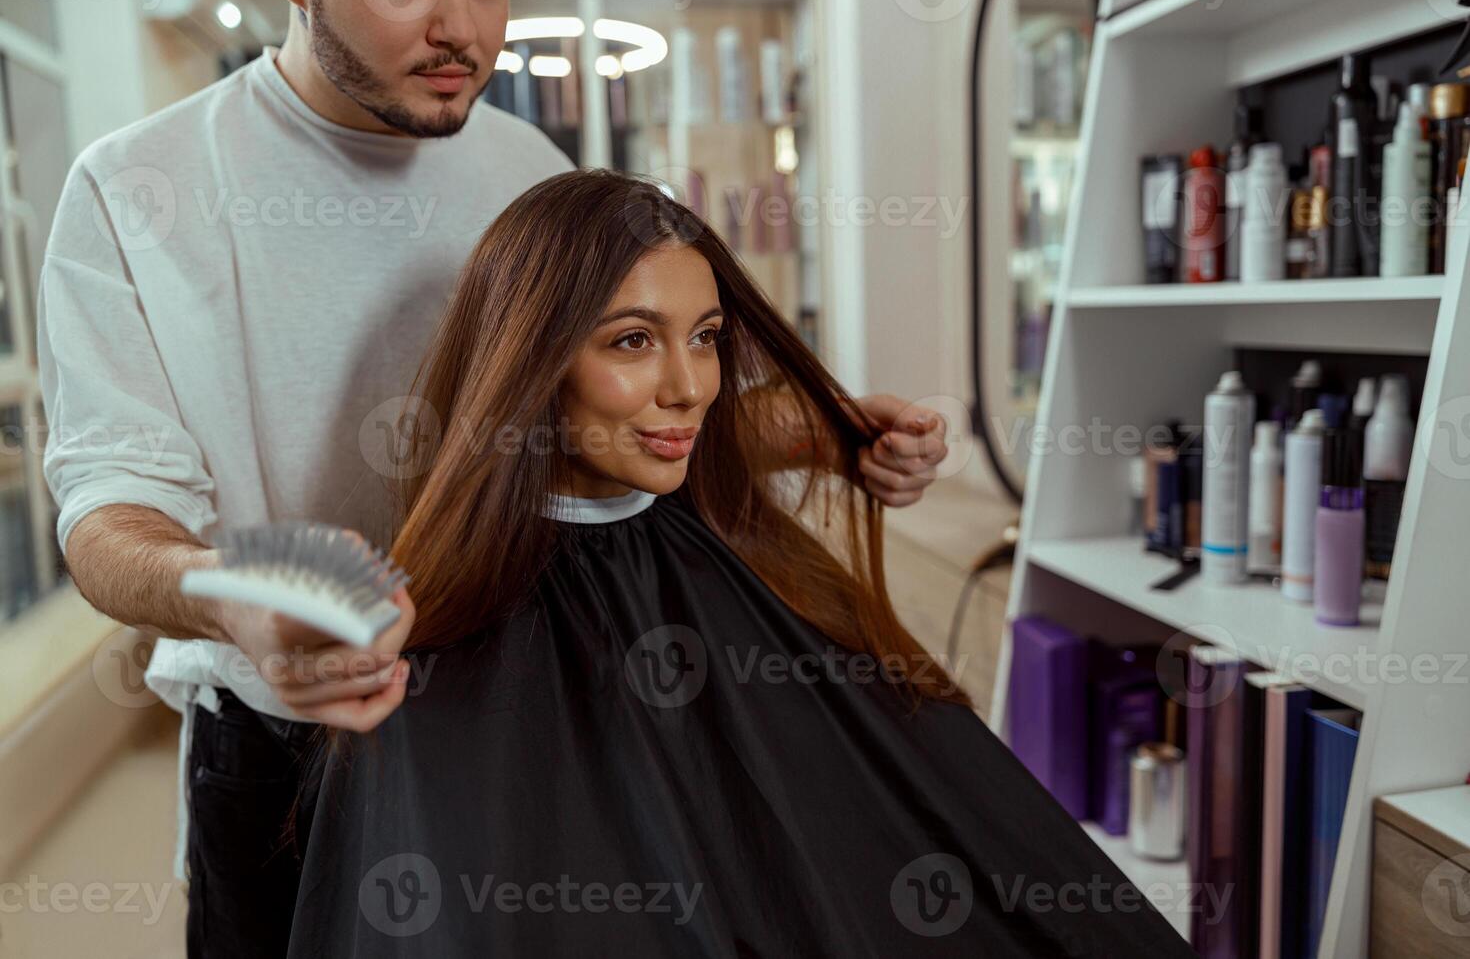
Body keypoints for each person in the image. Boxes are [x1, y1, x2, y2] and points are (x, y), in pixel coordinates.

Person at [34, 0, 949, 958]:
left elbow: (599, 423)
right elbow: (108, 515)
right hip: (287, 742)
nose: (460, 28)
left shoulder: (526, 166)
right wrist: (228, 594)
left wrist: (820, 432)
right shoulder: (139, 190)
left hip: (530, 708)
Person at [282, 170, 1193, 957]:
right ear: (530, 358)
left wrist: (833, 432)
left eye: (708, 335)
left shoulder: (735, 563)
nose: (691, 385)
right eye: (632, 340)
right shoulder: (443, 644)